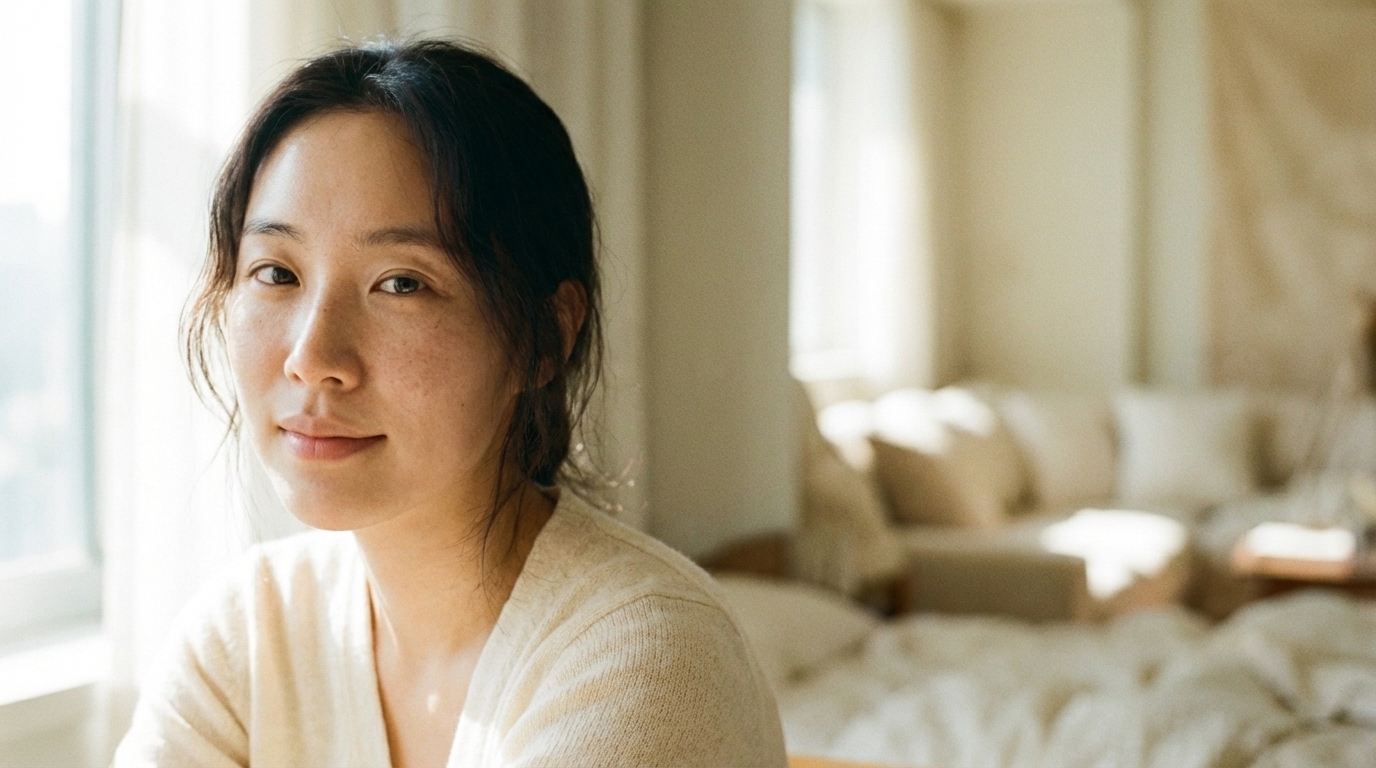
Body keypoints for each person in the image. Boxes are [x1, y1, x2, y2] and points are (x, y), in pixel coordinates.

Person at [113, 39, 786, 768]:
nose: (313, 358)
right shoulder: (247, 636)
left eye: (402, 283)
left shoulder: (645, 655)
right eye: (276, 273)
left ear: (541, 339)